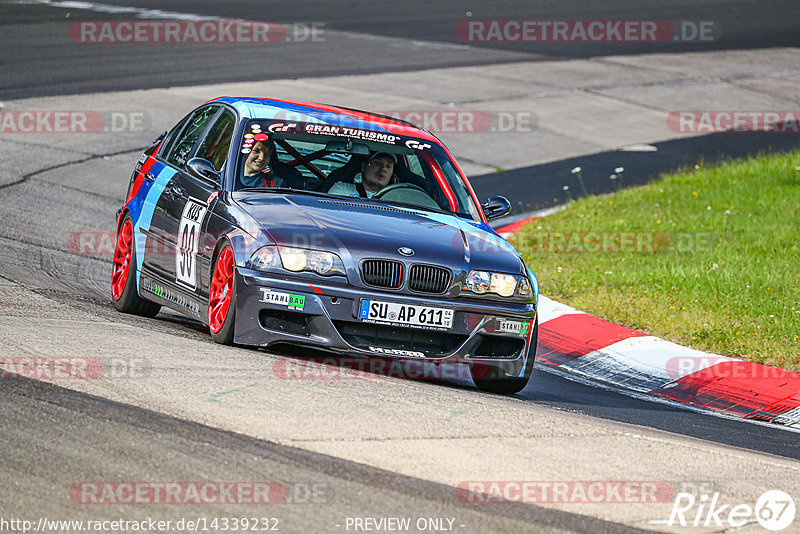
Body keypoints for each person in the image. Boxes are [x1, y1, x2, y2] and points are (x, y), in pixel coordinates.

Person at [327, 152, 397, 198]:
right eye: (377, 163)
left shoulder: (397, 198)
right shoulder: (342, 189)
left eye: (388, 166)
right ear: (363, 167)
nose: (384, 168)